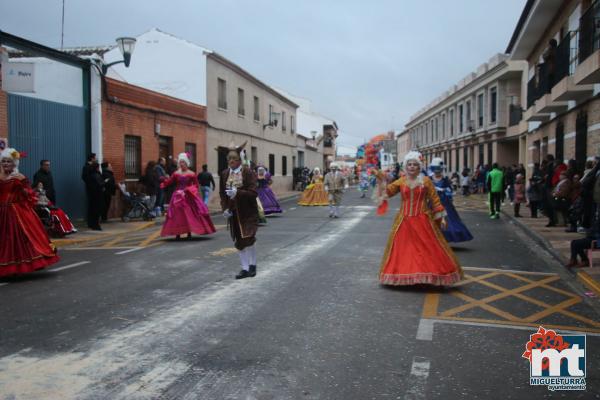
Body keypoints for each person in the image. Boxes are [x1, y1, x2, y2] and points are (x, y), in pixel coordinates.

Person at [375, 151, 463, 286]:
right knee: (405, 250)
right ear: (405, 166)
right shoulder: (401, 181)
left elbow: (435, 199)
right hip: (404, 221)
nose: (411, 167)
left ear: (419, 167)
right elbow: (388, 192)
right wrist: (381, 180)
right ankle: (408, 275)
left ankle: (426, 276)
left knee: (426, 249)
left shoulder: (426, 181)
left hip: (423, 219)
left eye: (414, 165)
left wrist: (443, 217)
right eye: (409, 164)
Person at [0, 148, 59, 277]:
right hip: (1, 211)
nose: (5, 164)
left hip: (15, 212)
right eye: (3, 161)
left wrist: (24, 190)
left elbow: (29, 195)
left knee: (17, 239)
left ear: (14, 163)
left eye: (8, 161)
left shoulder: (19, 177)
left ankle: (17, 266)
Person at [218, 142, 259, 279]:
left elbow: (253, 193)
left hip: (248, 212)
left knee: (249, 239)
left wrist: (238, 193)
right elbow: (222, 194)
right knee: (239, 241)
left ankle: (253, 265)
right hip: (234, 212)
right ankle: (244, 268)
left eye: (234, 159)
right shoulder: (224, 174)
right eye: (229, 159)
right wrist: (225, 209)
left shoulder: (247, 172)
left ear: (239, 160)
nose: (231, 161)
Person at [160, 153, 216, 240]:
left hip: (187, 196)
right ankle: (177, 233)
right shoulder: (176, 173)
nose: (181, 164)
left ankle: (189, 232)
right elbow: (170, 181)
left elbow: (196, 185)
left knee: (188, 214)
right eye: (180, 162)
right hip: (177, 196)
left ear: (186, 163)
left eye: (183, 162)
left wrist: (190, 190)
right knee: (177, 215)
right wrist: (163, 182)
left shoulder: (192, 174)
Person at [430, 158, 473, 243]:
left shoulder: (445, 179)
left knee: (448, 220)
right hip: (432, 202)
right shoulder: (429, 179)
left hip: (444, 202)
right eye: (435, 169)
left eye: (439, 169)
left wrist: (444, 190)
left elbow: (450, 190)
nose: (437, 171)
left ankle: (444, 238)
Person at [81, 153, 98, 229]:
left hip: (95, 189)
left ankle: (93, 222)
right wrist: (91, 184)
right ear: (92, 158)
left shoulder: (93, 166)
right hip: (91, 189)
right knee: (92, 206)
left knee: (94, 206)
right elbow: (85, 177)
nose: (96, 159)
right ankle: (91, 223)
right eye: (95, 158)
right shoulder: (86, 167)